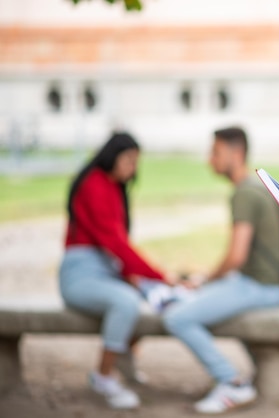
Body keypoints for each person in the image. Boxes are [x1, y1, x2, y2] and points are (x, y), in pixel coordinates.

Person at [163, 126, 279, 414]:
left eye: (215, 152)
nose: (210, 160)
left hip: (261, 287)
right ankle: (238, 378)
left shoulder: (244, 192)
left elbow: (235, 256)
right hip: (267, 283)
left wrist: (206, 280)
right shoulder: (258, 185)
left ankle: (231, 382)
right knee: (193, 301)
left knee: (177, 318)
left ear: (237, 153)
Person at [59, 131, 176, 409]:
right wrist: (161, 275)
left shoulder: (113, 187)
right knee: (126, 301)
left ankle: (122, 354)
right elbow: (115, 243)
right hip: (81, 274)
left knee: (153, 296)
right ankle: (103, 376)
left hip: (105, 270)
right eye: (129, 160)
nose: (133, 168)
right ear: (113, 156)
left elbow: (116, 248)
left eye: (136, 162)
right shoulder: (94, 185)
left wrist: (148, 278)